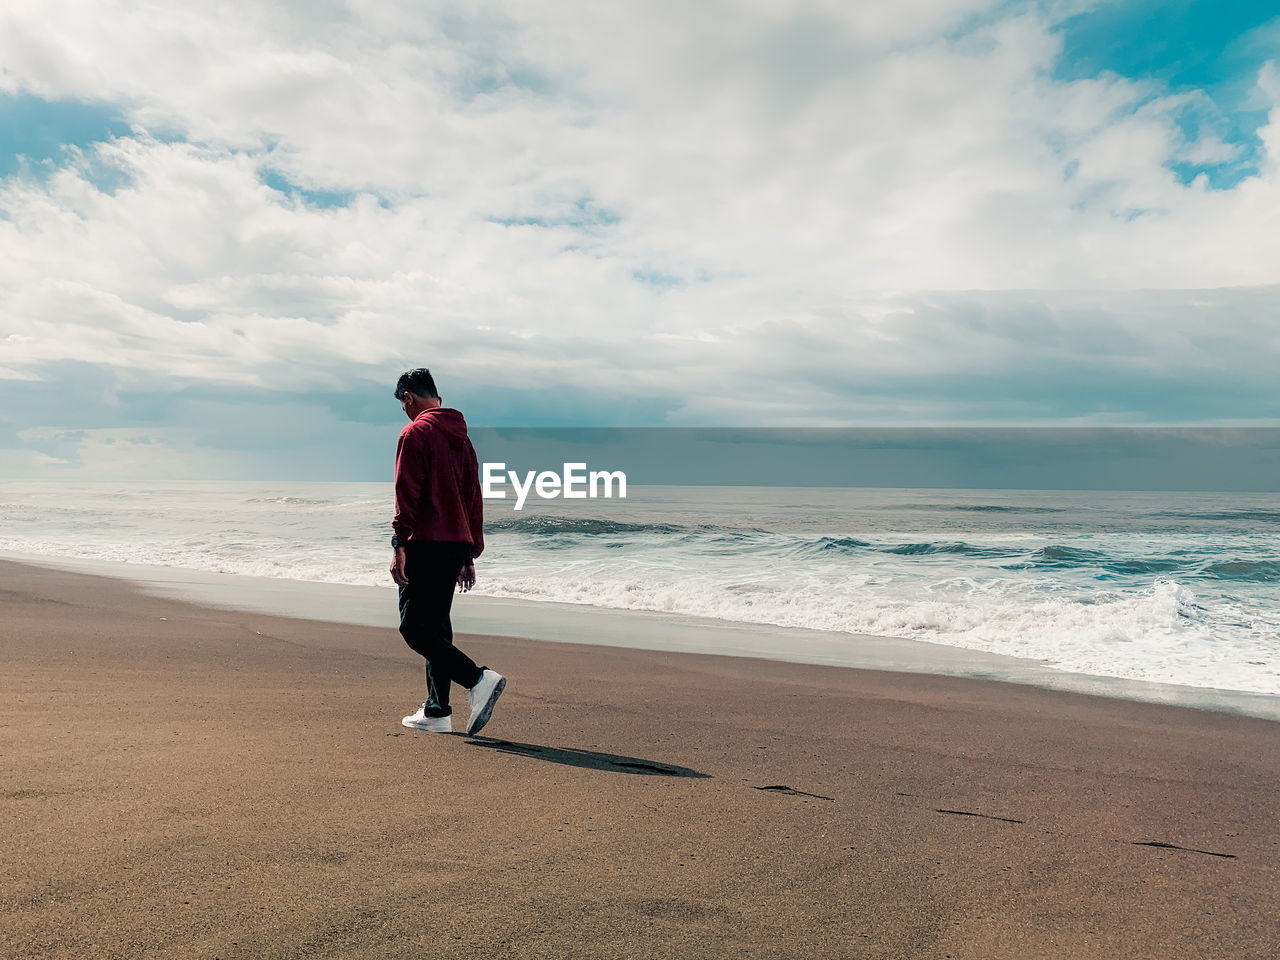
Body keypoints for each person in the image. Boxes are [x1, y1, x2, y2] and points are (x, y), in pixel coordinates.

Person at [390, 368, 505, 736]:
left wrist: (399, 544)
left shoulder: (415, 432)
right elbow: (472, 496)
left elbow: (407, 493)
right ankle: (437, 710)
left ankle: (477, 679)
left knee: (413, 628)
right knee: (437, 628)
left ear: (408, 397)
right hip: (454, 545)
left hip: (425, 543)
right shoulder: (463, 440)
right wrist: (468, 552)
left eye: (404, 405)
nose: (405, 413)